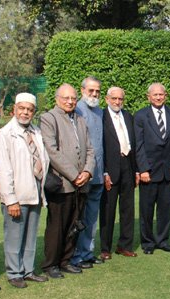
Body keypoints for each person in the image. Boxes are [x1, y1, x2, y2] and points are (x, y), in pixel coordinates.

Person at [0, 93, 50, 288]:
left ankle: (28, 270)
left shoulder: (36, 131)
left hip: (34, 190)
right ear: (14, 109)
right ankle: (14, 272)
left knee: (30, 235)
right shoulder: (4, 134)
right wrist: (10, 199)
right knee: (14, 235)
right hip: (16, 194)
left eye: (30, 109)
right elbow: (3, 169)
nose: (25, 112)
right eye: (22, 108)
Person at [40, 83, 95, 277]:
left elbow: (89, 149)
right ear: (57, 99)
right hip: (61, 183)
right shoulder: (49, 118)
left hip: (81, 184)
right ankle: (50, 264)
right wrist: (74, 174)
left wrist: (87, 172)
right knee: (57, 226)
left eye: (73, 98)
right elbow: (52, 151)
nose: (71, 101)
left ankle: (66, 260)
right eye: (66, 98)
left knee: (74, 224)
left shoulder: (79, 119)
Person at [134, 83, 170, 254]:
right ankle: (147, 243)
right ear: (148, 97)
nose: (158, 97)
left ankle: (162, 241)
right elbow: (138, 145)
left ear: (165, 95)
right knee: (146, 210)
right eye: (154, 95)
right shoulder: (140, 116)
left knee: (165, 209)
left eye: (161, 94)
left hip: (167, 171)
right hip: (149, 171)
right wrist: (143, 169)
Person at [100, 87, 139, 260]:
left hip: (128, 167)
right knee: (108, 210)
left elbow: (135, 144)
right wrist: (104, 171)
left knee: (128, 209)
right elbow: (99, 146)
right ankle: (105, 248)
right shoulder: (101, 117)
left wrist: (136, 170)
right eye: (114, 99)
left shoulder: (128, 116)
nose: (117, 102)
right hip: (110, 168)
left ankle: (124, 245)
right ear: (107, 99)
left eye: (120, 99)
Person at [71, 76, 105, 269]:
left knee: (92, 218)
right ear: (82, 90)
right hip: (83, 175)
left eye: (97, 91)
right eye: (91, 90)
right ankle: (74, 255)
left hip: (99, 174)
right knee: (79, 218)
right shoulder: (76, 110)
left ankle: (87, 252)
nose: (94, 94)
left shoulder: (100, 112)